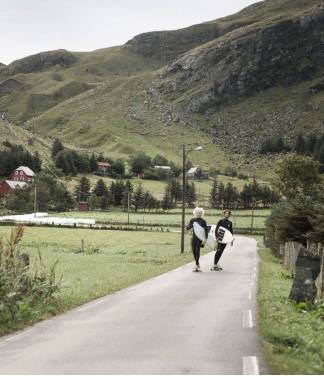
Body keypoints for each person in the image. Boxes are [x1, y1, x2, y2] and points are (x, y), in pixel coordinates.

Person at [187, 207, 208, 272]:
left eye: (200, 213)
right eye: (197, 213)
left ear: (202, 214)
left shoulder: (203, 221)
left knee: (197, 250)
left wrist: (205, 238)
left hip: (200, 238)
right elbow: (187, 228)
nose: (199, 214)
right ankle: (197, 264)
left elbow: (206, 230)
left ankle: (196, 264)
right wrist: (192, 225)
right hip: (194, 237)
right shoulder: (192, 220)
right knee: (193, 250)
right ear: (195, 213)